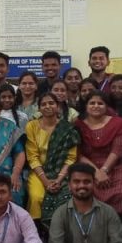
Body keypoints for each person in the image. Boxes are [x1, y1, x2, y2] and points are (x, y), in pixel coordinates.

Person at [74, 92, 122, 218]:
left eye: (100, 103)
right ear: (86, 106)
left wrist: (104, 170)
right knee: (85, 192)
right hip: (88, 169)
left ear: (107, 106)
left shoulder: (118, 123)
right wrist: (96, 172)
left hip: (115, 168)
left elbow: (117, 150)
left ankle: (121, 227)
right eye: (92, 103)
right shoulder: (78, 125)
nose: (96, 106)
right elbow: (78, 154)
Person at [25, 92, 79, 224]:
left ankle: (62, 230)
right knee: (36, 197)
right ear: (39, 108)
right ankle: (38, 231)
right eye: (43, 104)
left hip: (63, 173)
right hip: (38, 172)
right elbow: (32, 157)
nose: (47, 106)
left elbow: (71, 158)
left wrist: (59, 180)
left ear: (58, 106)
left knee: (66, 197)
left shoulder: (67, 128)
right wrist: (46, 182)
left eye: (51, 103)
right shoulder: (32, 126)